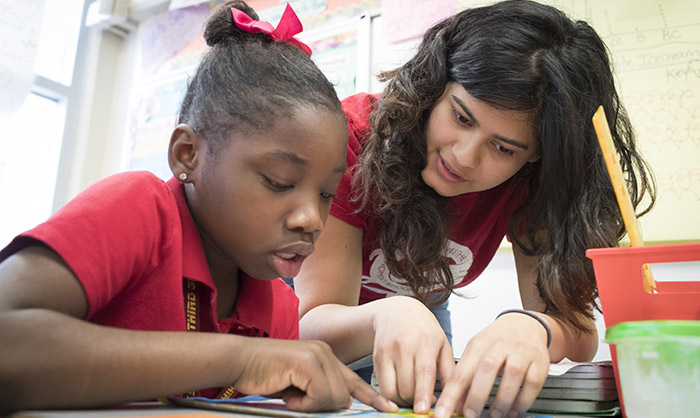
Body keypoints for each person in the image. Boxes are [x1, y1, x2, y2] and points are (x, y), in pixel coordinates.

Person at [0, 1, 399, 414]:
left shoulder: (279, 312)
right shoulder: (141, 209)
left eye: (326, 194)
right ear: (187, 154)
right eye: (279, 182)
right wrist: (238, 359)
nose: (311, 220)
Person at [292, 1, 656, 417]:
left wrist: (535, 327)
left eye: (503, 148)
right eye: (462, 117)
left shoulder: (532, 186)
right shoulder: (348, 139)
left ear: (536, 156)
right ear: (434, 86)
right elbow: (309, 324)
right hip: (321, 330)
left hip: (419, 319)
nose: (464, 157)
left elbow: (577, 331)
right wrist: (389, 314)